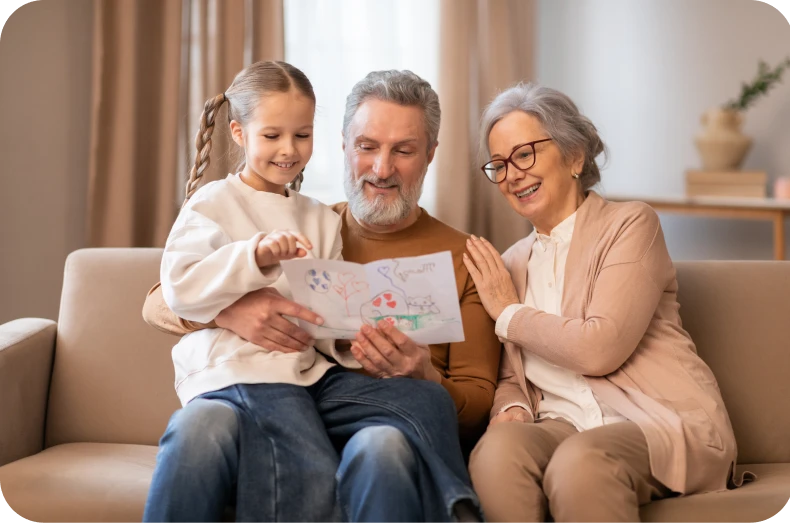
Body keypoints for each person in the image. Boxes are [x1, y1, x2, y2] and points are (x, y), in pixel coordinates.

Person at [142, 67, 499, 523]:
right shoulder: (311, 217)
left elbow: (474, 400)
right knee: (204, 427)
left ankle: (457, 506)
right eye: (367, 147)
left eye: (403, 151)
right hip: (269, 383)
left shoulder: (458, 256)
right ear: (345, 146)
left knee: (402, 425)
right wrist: (235, 312)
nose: (382, 168)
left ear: (430, 154)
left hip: (336, 391)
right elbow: (163, 296)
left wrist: (420, 372)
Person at [463, 82, 749, 523]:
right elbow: (512, 375)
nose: (512, 175)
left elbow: (599, 349)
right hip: (561, 425)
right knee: (495, 454)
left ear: (574, 156)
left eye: (524, 155)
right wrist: (513, 407)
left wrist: (508, 312)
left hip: (656, 422)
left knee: (582, 462)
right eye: (498, 164)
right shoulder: (509, 266)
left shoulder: (631, 224)